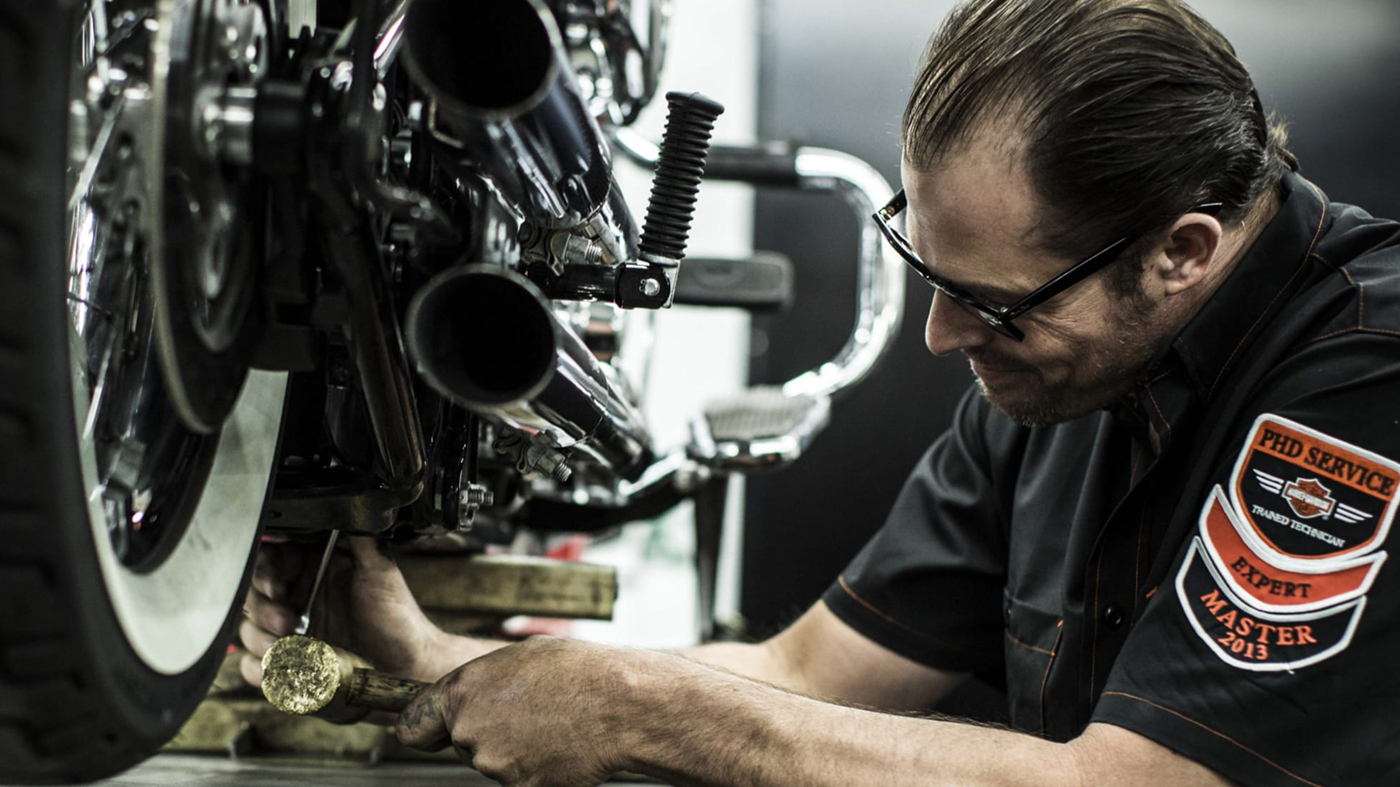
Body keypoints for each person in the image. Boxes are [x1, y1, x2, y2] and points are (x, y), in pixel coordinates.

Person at [241, 0, 1400, 785]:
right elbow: (802, 675)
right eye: (925, 274)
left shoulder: (1368, 362)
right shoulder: (1061, 372)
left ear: (1181, 252)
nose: (943, 338)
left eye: (989, 302)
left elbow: (1136, 779)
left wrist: (646, 712)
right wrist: (428, 650)